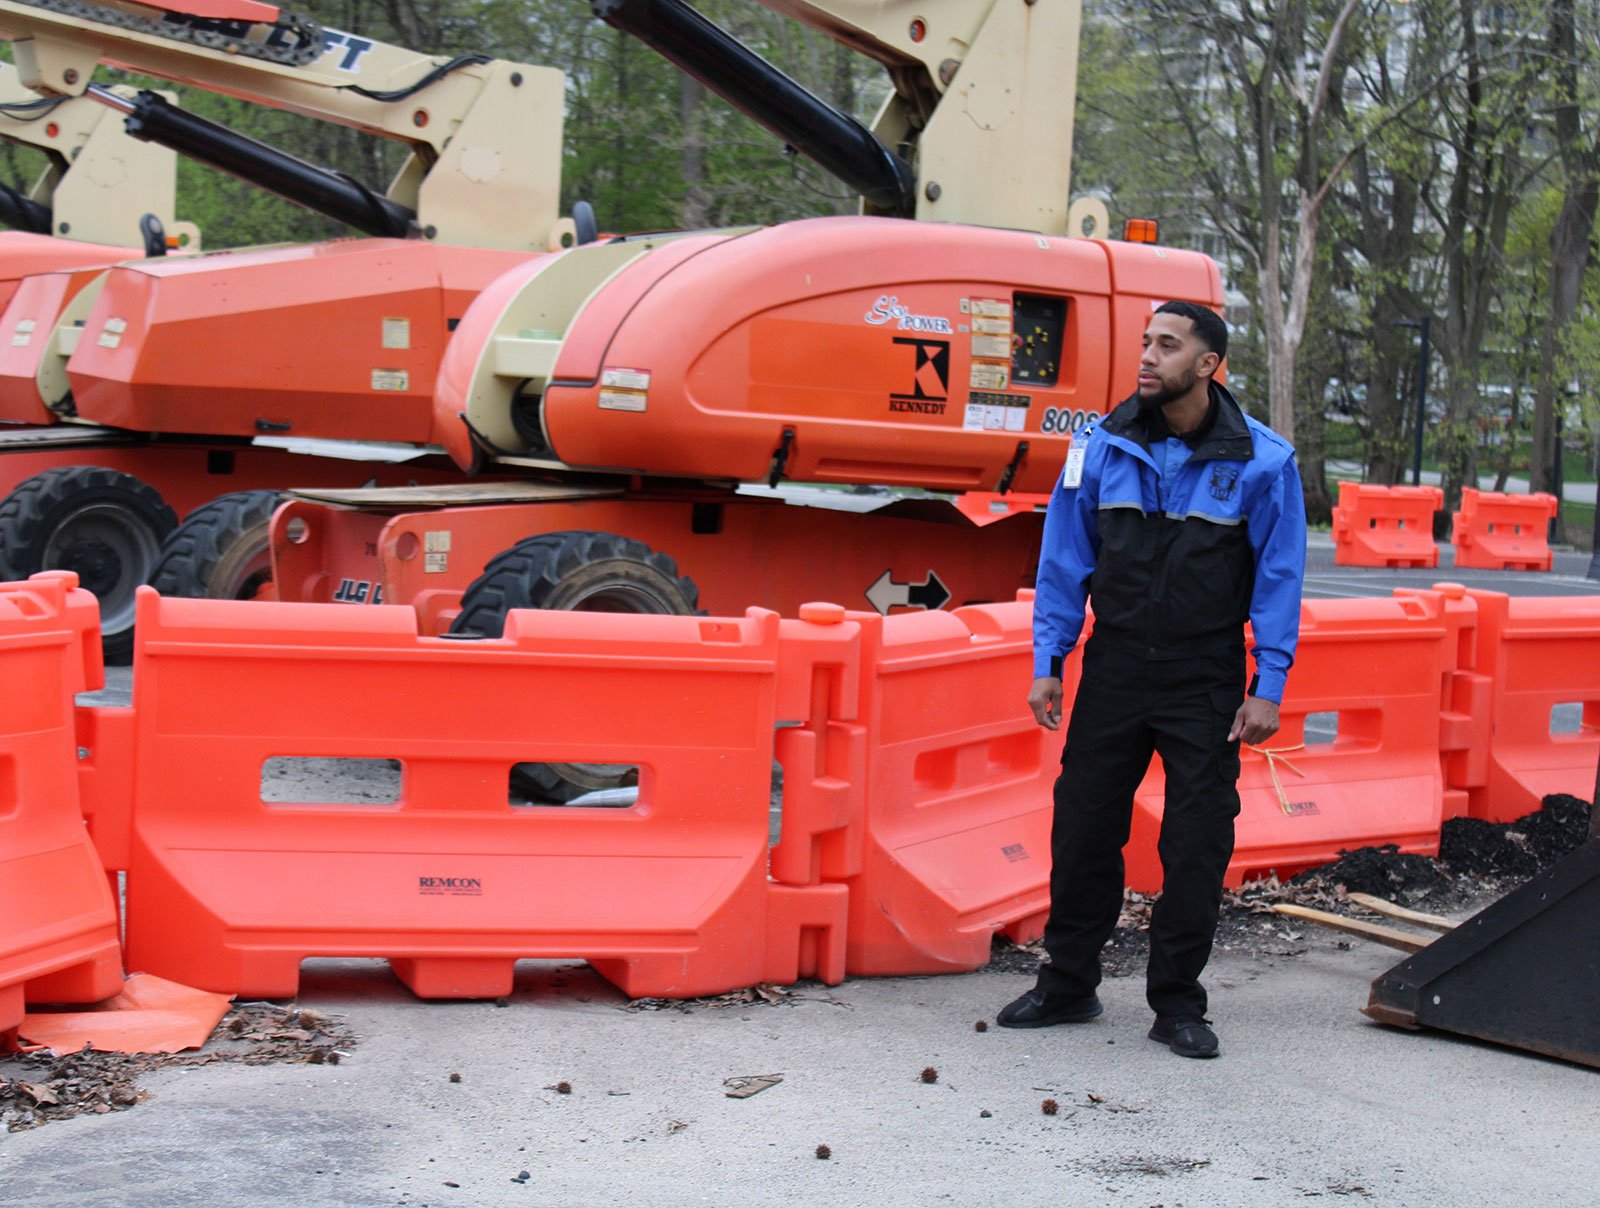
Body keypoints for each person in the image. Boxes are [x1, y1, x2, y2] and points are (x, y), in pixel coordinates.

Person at [996, 300, 1307, 1058]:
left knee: (1197, 841)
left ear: (1207, 364)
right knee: (1083, 827)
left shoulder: (1264, 462)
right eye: (1146, 342)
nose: (1147, 356)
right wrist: (1048, 661)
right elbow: (1064, 560)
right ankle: (1068, 984)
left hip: (1205, 675)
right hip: (1116, 665)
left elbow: (1280, 577)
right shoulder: (1099, 447)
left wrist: (1268, 683)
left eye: (1167, 345)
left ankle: (1177, 1004)